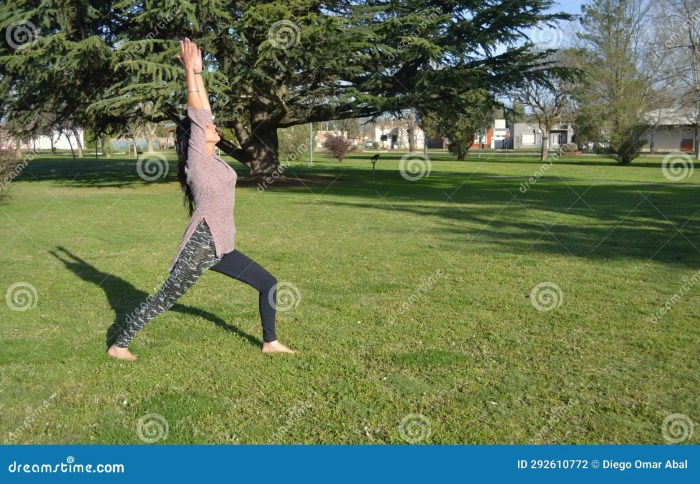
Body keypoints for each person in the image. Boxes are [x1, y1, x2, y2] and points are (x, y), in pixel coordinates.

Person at [107, 38, 295, 361]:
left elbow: (204, 112)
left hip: (221, 245)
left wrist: (199, 71)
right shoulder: (198, 160)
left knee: (268, 283)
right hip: (201, 246)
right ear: (194, 135)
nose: (213, 124)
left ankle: (270, 342)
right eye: (207, 125)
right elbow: (198, 113)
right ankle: (119, 345)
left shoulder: (215, 159)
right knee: (165, 297)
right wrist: (189, 72)